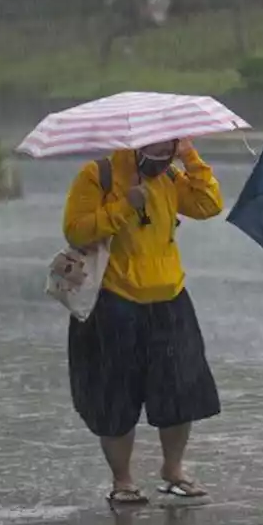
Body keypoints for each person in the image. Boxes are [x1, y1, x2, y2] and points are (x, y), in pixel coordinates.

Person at [63, 138, 224, 505]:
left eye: (169, 147)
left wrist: (190, 158)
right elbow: (75, 230)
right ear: (133, 143)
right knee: (115, 396)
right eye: (155, 148)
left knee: (180, 392)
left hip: (170, 298)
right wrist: (123, 207)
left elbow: (209, 204)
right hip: (115, 301)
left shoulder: (170, 176)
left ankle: (173, 470)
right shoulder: (97, 176)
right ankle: (122, 480)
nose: (161, 155)